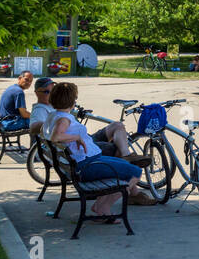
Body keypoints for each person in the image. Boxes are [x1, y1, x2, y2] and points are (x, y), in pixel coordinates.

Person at [46, 82, 155, 211]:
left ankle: (106, 203)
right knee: (135, 173)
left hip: (83, 162)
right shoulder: (63, 119)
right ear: (72, 101)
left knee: (126, 165)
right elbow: (55, 137)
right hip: (86, 166)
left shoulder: (54, 115)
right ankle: (103, 208)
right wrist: (77, 137)